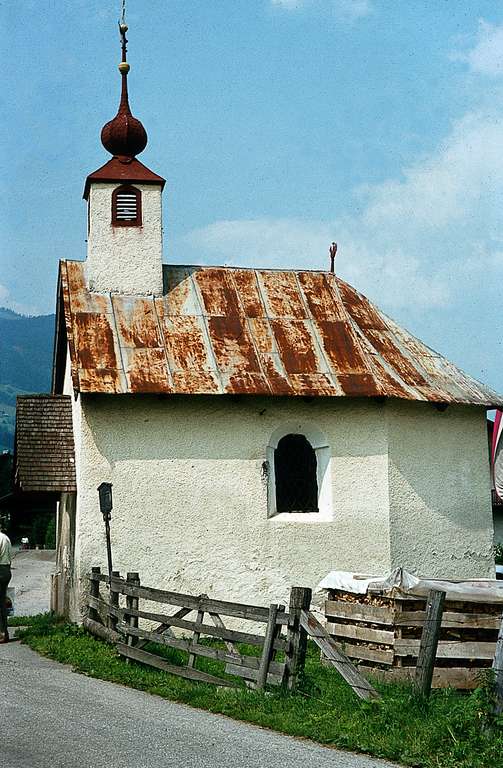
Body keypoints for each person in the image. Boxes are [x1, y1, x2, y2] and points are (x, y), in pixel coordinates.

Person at [0, 528, 12, 643]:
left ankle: (1, 633)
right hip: (6, 569)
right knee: (1, 602)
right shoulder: (5, 538)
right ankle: (4, 633)